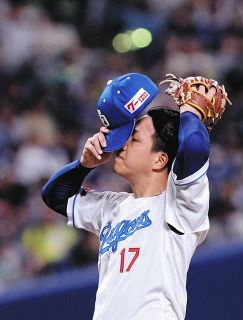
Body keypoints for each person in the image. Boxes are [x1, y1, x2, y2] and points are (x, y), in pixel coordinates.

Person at [42, 72, 214, 320]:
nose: (121, 146)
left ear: (160, 159)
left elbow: (195, 145)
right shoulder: (112, 207)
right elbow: (55, 196)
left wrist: (191, 111)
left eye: (133, 139)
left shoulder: (180, 206)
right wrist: (84, 165)